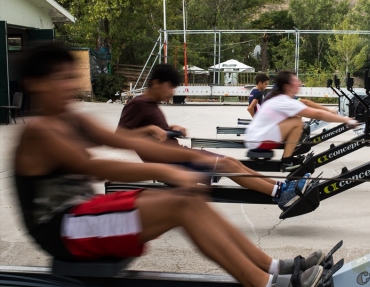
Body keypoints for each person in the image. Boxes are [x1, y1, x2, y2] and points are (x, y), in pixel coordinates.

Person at [12, 42, 325, 287]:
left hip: (82, 216)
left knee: (188, 200)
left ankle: (271, 267)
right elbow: (92, 166)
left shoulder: (71, 118)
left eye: (71, 77)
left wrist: (195, 160)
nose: (70, 85)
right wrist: (165, 171)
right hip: (63, 230)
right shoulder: (39, 130)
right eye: (61, 78)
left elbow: (125, 140)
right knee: (181, 207)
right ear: (35, 84)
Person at [117, 64, 302, 207]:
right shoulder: (137, 104)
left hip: (179, 156)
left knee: (231, 161)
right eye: (169, 87)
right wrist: (149, 130)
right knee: (228, 166)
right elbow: (120, 137)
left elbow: (155, 131)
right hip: (169, 164)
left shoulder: (149, 105)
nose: (172, 92)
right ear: (156, 83)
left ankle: (280, 186)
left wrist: (170, 128)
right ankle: (279, 194)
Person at [245, 70, 358, 192]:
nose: (299, 83)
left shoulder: (279, 98)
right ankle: (286, 161)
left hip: (256, 138)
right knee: (296, 122)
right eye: (295, 81)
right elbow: (318, 114)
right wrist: (346, 120)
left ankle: (288, 155)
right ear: (287, 86)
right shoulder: (284, 101)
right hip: (259, 141)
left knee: (296, 119)